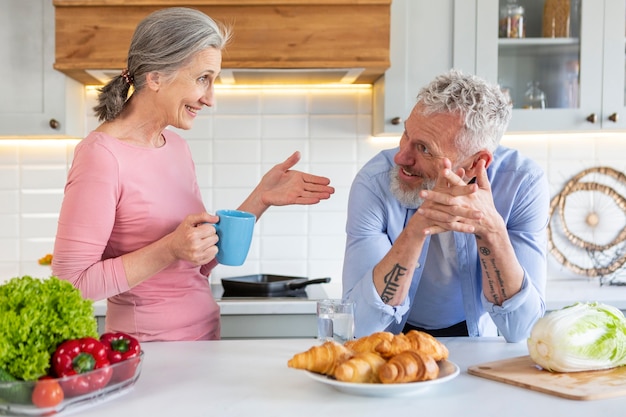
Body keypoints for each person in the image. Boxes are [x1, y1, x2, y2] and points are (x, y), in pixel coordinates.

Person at [51, 7, 334, 342]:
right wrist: (169, 248)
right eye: (203, 79)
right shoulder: (101, 155)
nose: (210, 98)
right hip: (149, 354)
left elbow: (197, 262)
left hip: (205, 339)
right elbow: (71, 284)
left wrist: (260, 198)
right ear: (155, 77)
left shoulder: (176, 148)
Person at [342, 70, 549, 343]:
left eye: (425, 149)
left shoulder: (522, 183)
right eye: (405, 134)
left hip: (475, 342)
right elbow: (360, 325)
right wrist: (417, 229)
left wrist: (492, 231)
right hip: (391, 340)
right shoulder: (375, 182)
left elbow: (523, 329)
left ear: (478, 163)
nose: (401, 156)